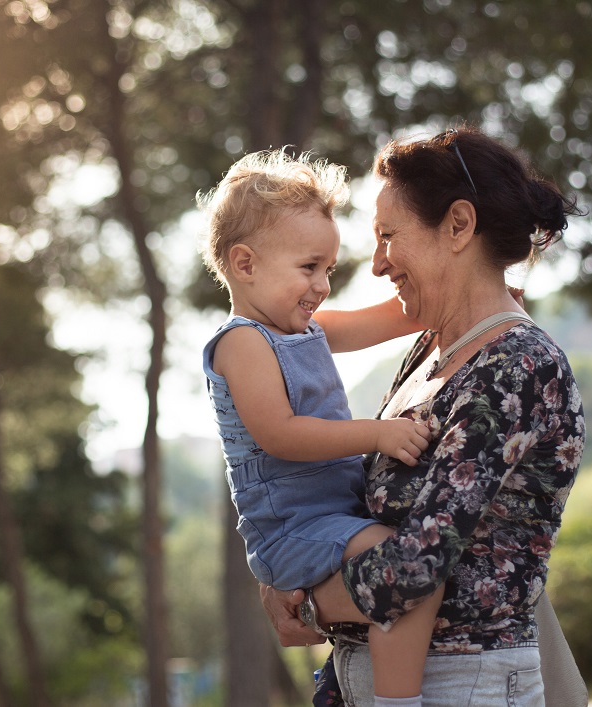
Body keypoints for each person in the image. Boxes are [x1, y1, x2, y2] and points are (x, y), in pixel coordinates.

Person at [260, 126, 585, 707]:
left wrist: (307, 601)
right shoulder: (429, 351)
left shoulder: (519, 366)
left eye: (388, 236)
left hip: (464, 687)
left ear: (458, 225)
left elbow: (417, 562)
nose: (377, 264)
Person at [199, 149, 446, 705]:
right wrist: (377, 433)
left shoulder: (307, 330)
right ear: (245, 265)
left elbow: (397, 316)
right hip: (292, 527)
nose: (323, 286)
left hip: (332, 514)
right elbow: (282, 435)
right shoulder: (242, 343)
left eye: (328, 270)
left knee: (406, 572)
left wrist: (477, 297)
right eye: (309, 267)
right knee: (404, 568)